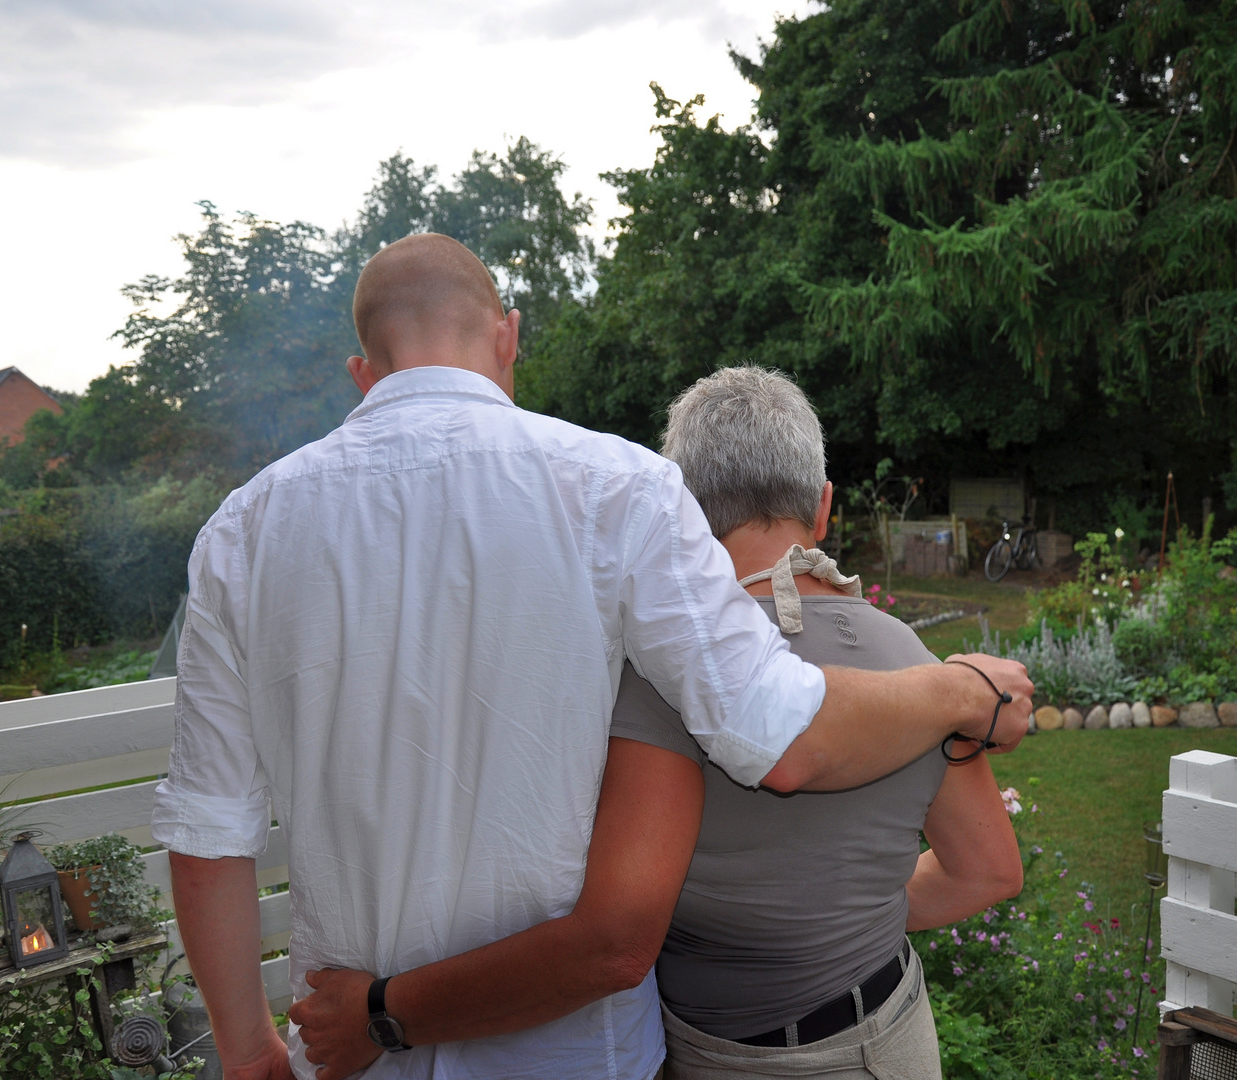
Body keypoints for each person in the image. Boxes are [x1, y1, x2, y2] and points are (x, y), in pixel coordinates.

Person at [152, 233, 1032, 1080]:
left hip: (348, 1046)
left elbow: (207, 829)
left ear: (363, 373)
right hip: (572, 1054)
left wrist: (247, 1046)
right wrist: (958, 691)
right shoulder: (617, 491)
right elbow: (779, 733)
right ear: (508, 336)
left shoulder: (241, 533)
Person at [610, 367, 1024, 1078]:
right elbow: (987, 871)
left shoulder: (657, 671)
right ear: (824, 507)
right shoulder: (917, 665)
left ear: (682, 507)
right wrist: (847, 924)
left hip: (716, 1054)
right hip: (886, 1041)